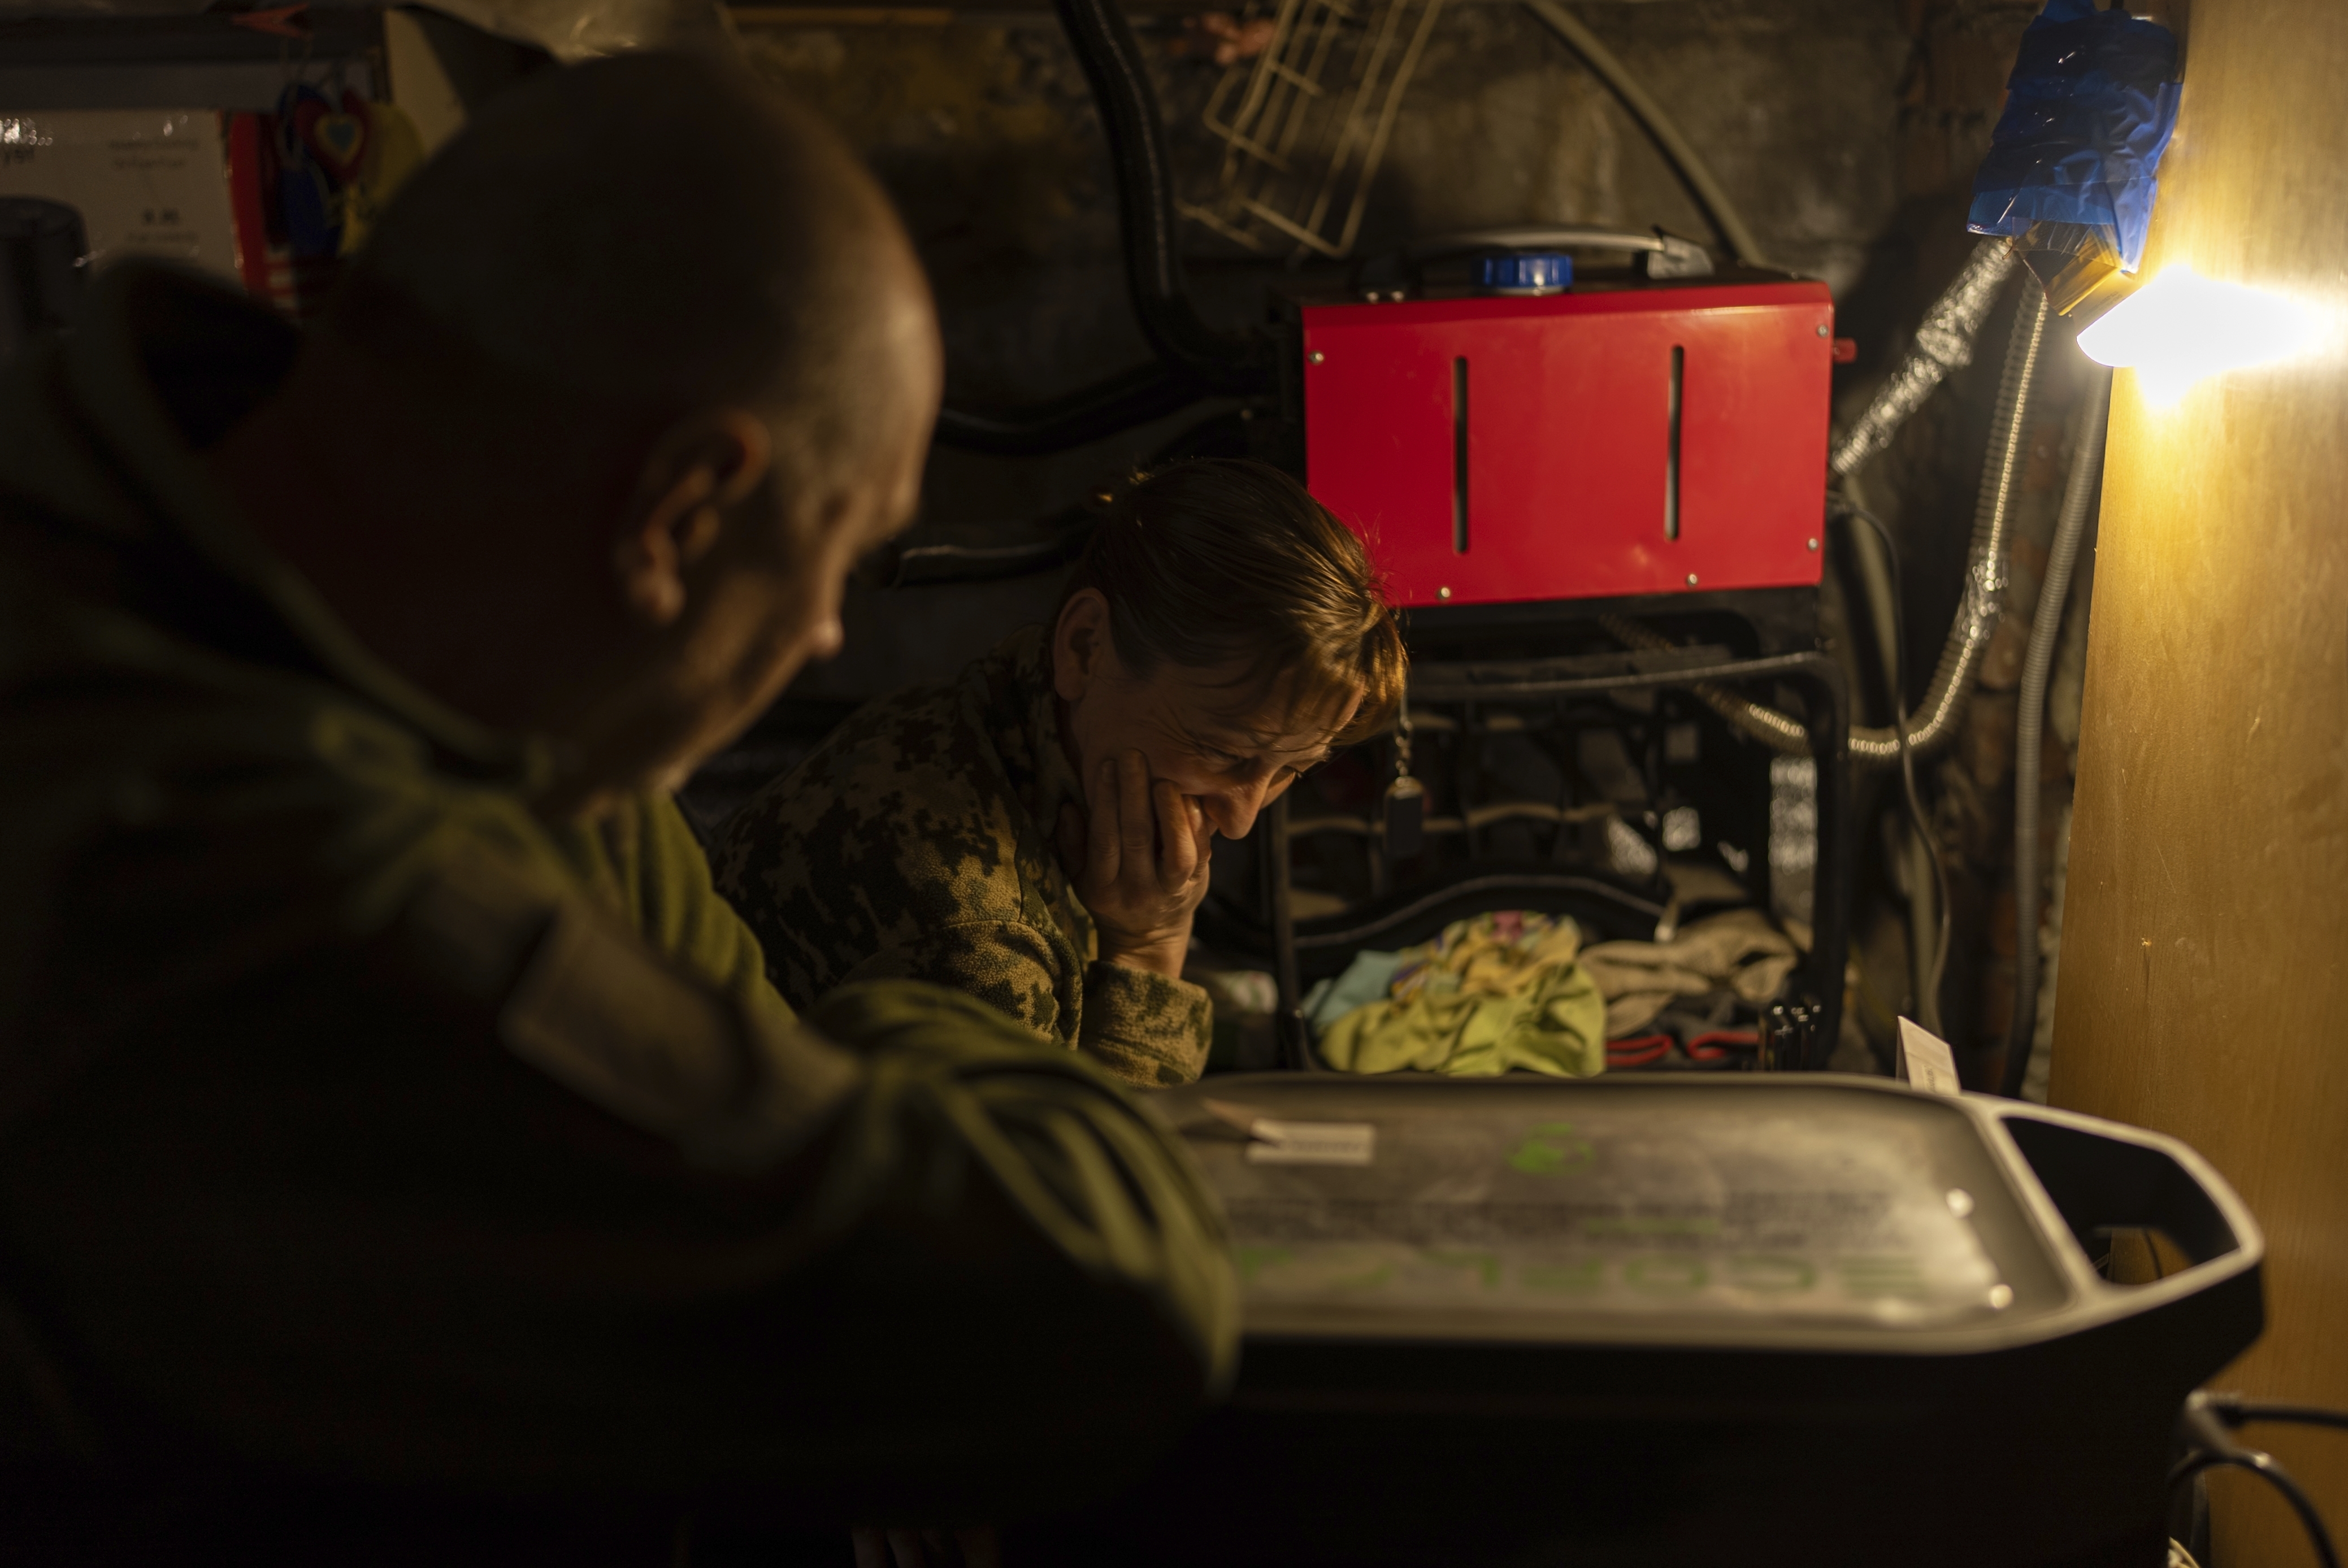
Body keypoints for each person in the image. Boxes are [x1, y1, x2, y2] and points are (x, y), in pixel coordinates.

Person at [0, 51, 1232, 1562]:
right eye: (834, 564)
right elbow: (1083, 1303)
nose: (828, 638)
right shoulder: (260, 878)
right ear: (681, 514)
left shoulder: (227, 552)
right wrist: (903, 1023)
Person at [715, 458, 1407, 1088]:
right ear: (1085, 646)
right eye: (1225, 753)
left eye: (1291, 770)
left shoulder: (1006, 706)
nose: (1242, 816)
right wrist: (1148, 949)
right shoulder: (975, 929)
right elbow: (1075, 1200)